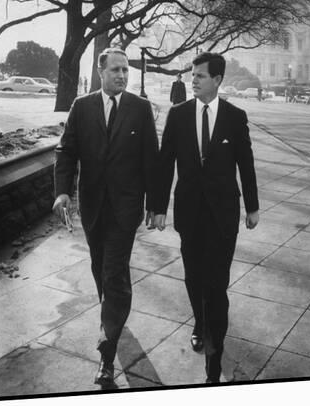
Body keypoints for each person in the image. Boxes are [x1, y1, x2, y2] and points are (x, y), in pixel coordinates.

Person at [53, 48, 158, 387]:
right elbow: (66, 150)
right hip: (93, 208)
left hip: (126, 210)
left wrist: (156, 205)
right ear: (101, 71)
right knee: (100, 269)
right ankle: (112, 314)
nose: (122, 76)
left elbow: (150, 160)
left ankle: (106, 354)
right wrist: (63, 191)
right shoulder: (82, 107)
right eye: (116, 70)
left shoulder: (140, 109)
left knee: (115, 274)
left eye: (126, 70)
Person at [154, 52, 259, 384]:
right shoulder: (179, 115)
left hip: (223, 215)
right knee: (193, 278)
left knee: (216, 285)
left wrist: (252, 206)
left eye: (200, 75)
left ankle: (215, 356)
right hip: (189, 214)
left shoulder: (235, 116)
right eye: (192, 75)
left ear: (217, 80)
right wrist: (157, 206)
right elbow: (164, 161)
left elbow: (246, 163)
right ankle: (199, 321)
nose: (193, 80)